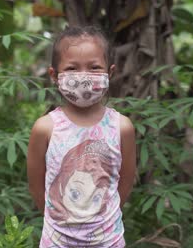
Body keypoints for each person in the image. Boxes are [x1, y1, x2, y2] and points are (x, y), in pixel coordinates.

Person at [27, 26, 136, 247]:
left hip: (109, 240)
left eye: (94, 67)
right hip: (57, 240)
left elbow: (125, 181)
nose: (83, 76)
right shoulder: (45, 128)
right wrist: (57, 219)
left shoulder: (121, 127)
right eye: (72, 68)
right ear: (54, 76)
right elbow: (36, 185)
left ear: (110, 73)